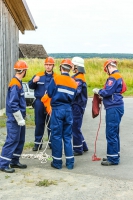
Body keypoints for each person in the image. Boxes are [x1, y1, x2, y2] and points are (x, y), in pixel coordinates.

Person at [93, 59, 127, 166]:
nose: (106, 71)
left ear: (109, 67)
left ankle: (113, 159)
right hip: (117, 106)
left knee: (111, 132)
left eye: (106, 69)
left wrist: (98, 91)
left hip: (113, 108)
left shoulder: (113, 77)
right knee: (115, 132)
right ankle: (114, 155)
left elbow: (108, 91)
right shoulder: (119, 76)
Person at [47, 59, 78, 170]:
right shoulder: (74, 82)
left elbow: (50, 93)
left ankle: (57, 162)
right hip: (68, 110)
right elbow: (74, 98)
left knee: (56, 136)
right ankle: (70, 163)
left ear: (61, 68)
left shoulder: (56, 79)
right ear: (70, 69)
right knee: (67, 136)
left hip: (57, 110)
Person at [0, 60, 28, 173]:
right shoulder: (15, 84)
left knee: (20, 140)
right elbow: (13, 103)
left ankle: (14, 160)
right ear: (23, 71)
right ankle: (3, 164)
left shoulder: (18, 82)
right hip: (15, 118)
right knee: (12, 140)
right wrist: (19, 118)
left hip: (19, 117)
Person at [28, 57, 56, 151]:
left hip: (51, 103)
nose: (48, 66)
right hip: (39, 102)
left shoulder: (56, 77)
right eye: (46, 65)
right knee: (39, 122)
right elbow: (30, 86)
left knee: (51, 123)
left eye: (50, 65)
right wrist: (33, 81)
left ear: (53, 66)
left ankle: (51, 143)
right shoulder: (38, 75)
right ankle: (38, 143)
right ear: (44, 65)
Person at [71, 57, 88, 156]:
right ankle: (83, 146)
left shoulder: (79, 79)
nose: (71, 66)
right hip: (78, 105)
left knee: (75, 127)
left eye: (73, 65)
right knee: (77, 126)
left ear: (76, 66)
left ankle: (78, 149)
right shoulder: (78, 76)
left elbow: (76, 92)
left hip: (77, 105)